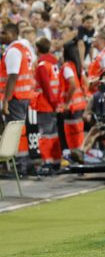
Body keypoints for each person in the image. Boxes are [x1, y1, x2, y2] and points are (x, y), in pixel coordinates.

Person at [0, 22, 35, 172]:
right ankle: (20, 163)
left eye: (4, 33)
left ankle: (20, 165)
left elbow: (12, 77)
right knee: (18, 130)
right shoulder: (23, 49)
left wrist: (5, 101)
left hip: (15, 97)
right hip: (22, 96)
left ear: (13, 34)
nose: (1, 35)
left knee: (14, 131)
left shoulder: (13, 51)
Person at [32, 37, 62, 172]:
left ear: (37, 49)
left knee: (45, 135)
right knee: (54, 134)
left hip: (45, 105)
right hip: (54, 104)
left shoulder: (42, 66)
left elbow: (46, 88)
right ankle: (56, 161)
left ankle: (47, 163)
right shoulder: (54, 64)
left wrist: (53, 104)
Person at [60, 41, 88, 163]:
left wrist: (66, 103)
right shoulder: (78, 66)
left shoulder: (67, 67)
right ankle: (80, 159)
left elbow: (72, 84)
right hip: (80, 105)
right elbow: (86, 82)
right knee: (79, 134)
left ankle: (76, 160)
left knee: (72, 135)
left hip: (71, 107)